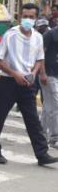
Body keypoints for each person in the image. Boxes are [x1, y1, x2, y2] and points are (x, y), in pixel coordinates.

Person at [0, 3, 58, 166]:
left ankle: (42, 154)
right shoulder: (10, 35)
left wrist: (34, 73)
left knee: (32, 120)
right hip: (8, 82)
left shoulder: (38, 37)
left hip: (28, 83)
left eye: (31, 17)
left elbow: (39, 59)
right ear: (20, 17)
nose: (28, 19)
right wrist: (15, 74)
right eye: (25, 16)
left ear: (36, 18)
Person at [41, 19, 58, 148]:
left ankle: (41, 133)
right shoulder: (50, 34)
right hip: (49, 74)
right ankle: (54, 137)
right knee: (54, 105)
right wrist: (42, 73)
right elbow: (40, 55)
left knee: (48, 106)